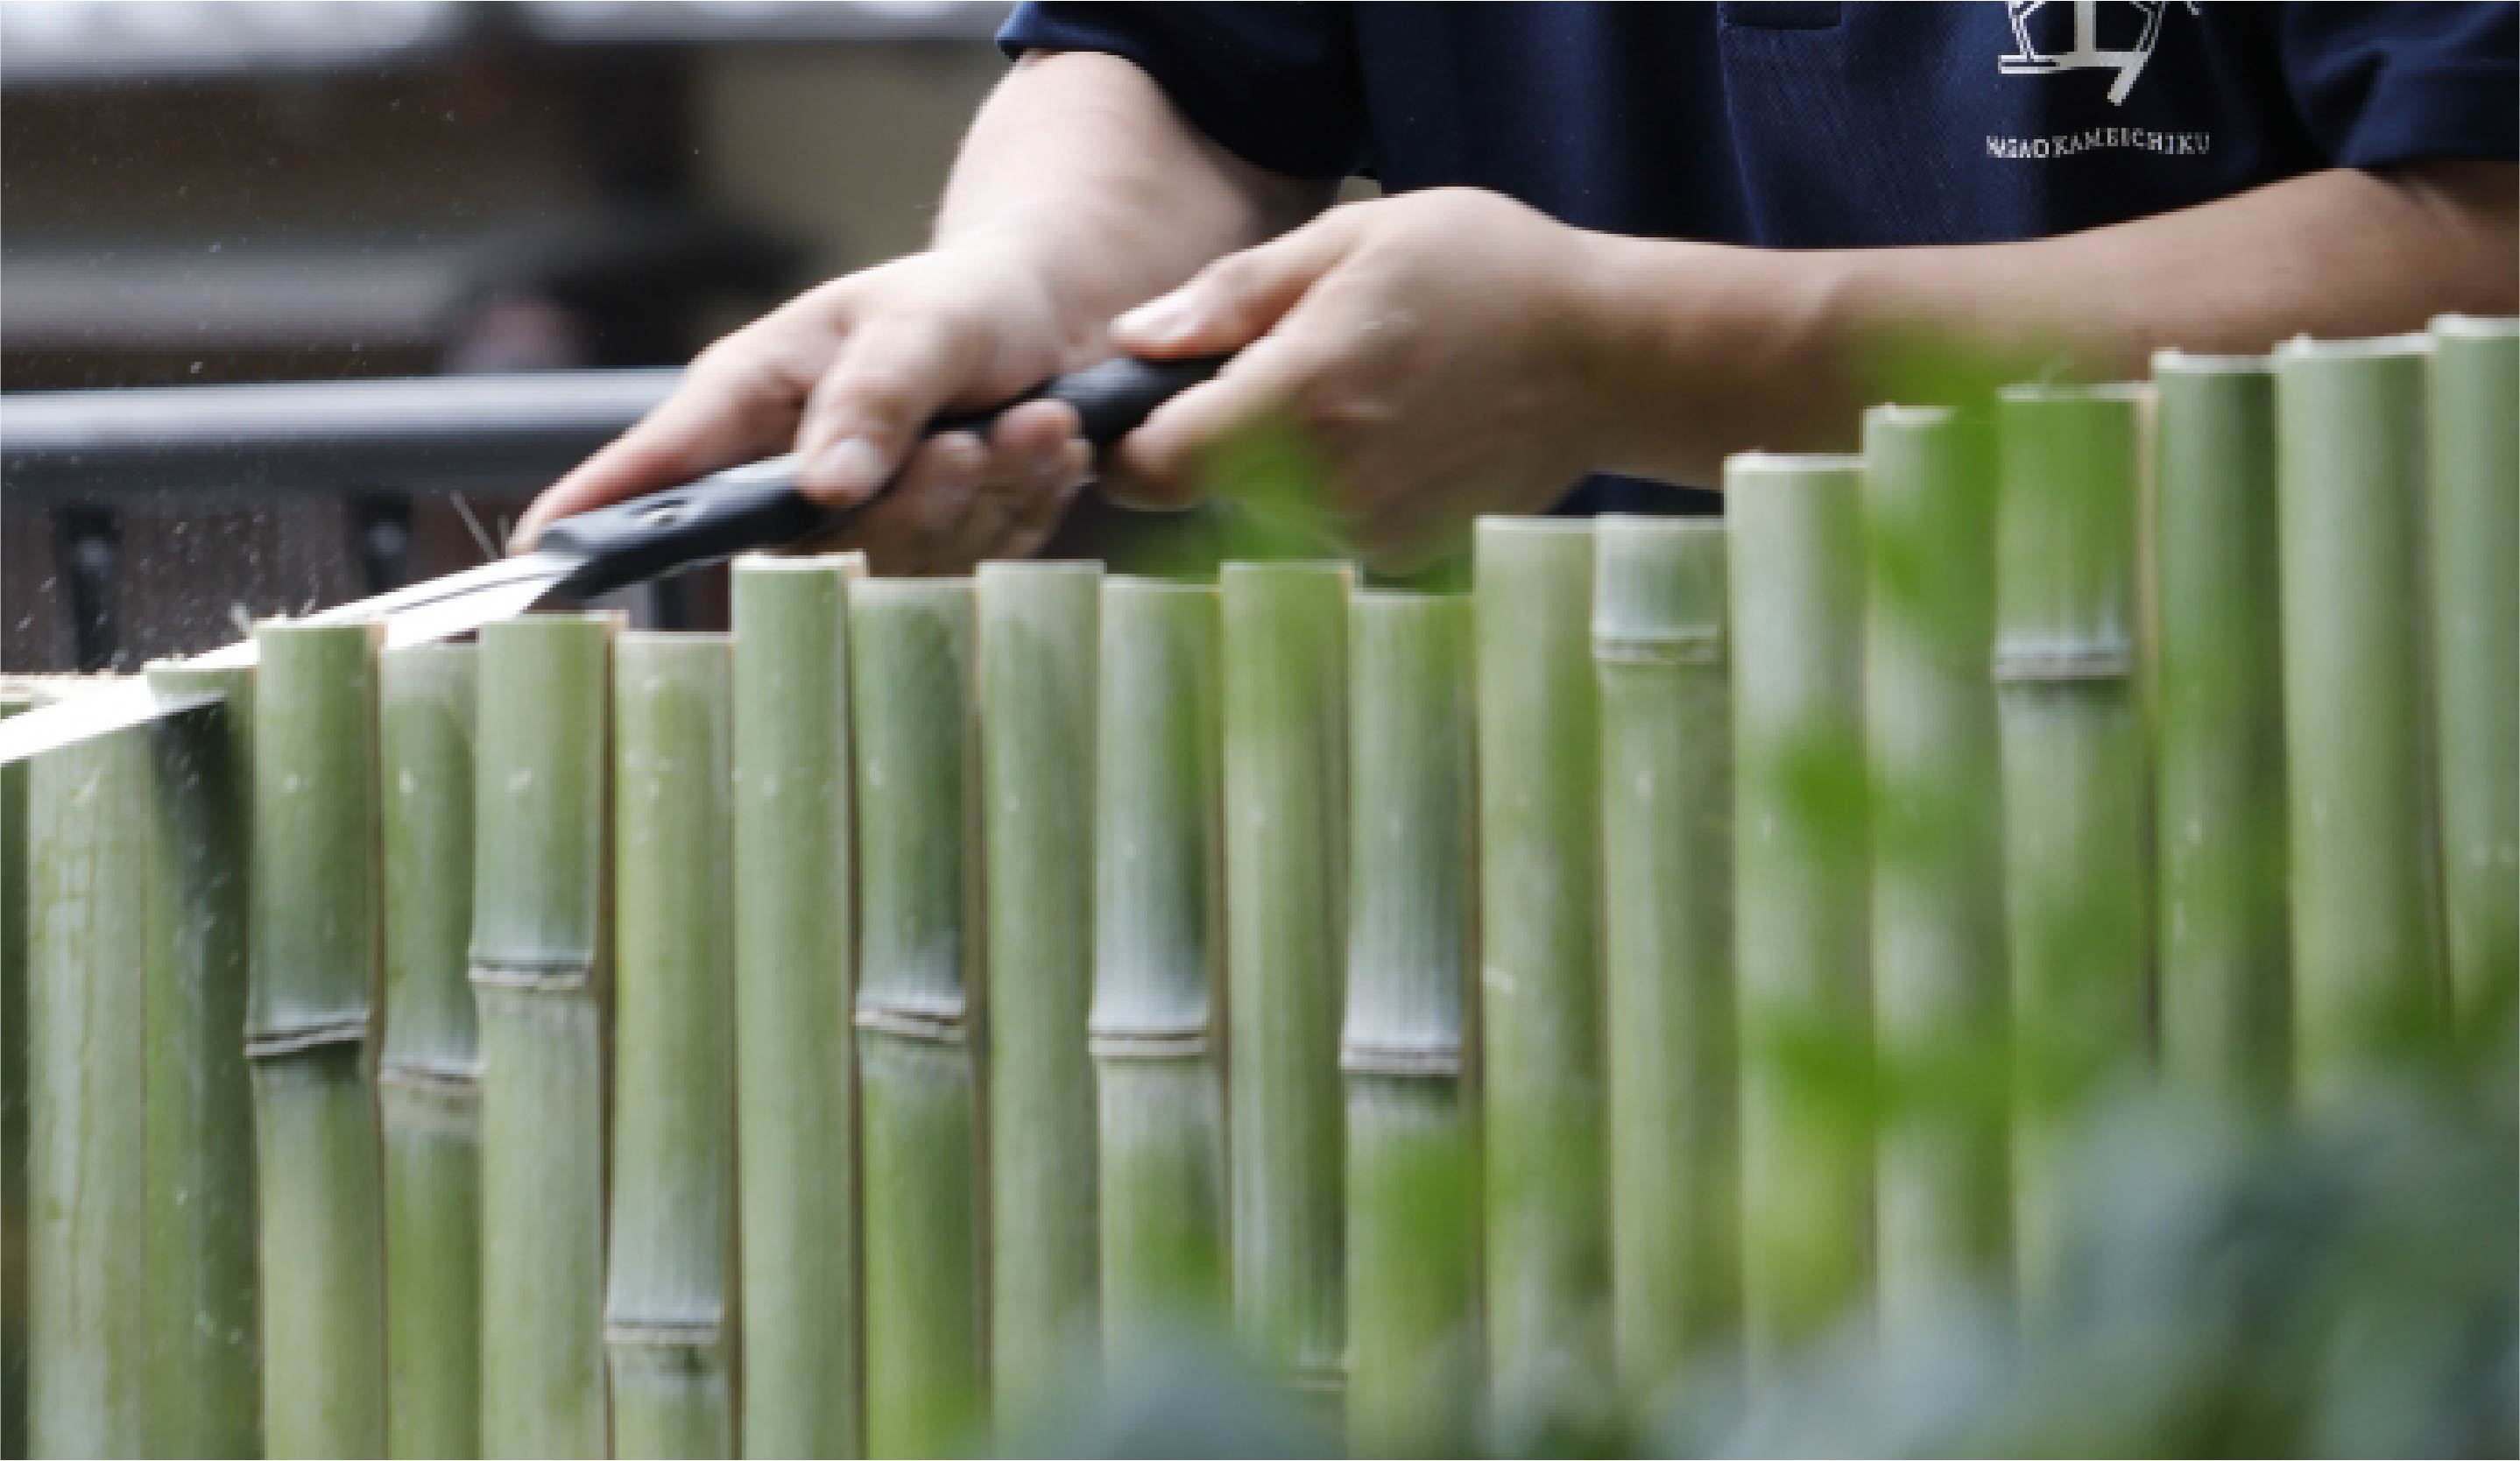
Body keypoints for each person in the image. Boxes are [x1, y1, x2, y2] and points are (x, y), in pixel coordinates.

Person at [517, 3, 2516, 573]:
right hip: (1639, 882)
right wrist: (1014, 286)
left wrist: (1637, 363)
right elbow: (1178, 73)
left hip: (2331, 848)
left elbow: (2480, 233)